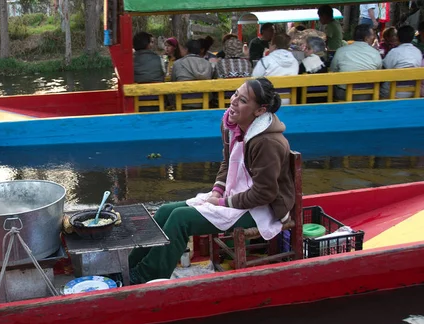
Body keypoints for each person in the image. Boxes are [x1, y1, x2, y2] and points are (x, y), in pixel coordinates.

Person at [128, 78, 295, 284]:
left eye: (242, 100)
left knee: (181, 219)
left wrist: (223, 202)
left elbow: (265, 194)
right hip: (235, 197)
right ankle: (129, 268)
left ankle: (144, 277)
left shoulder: (267, 142)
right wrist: (217, 190)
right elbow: (228, 162)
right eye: (235, 94)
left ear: (260, 110)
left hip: (262, 209)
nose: (233, 101)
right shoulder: (232, 126)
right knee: (164, 211)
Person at [330, 24, 382, 100]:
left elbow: (333, 70)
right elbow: (379, 71)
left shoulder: (341, 51)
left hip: (343, 94)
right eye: (372, 36)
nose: (373, 38)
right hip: (368, 94)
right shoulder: (375, 53)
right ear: (366, 38)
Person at [381, 25, 423, 98]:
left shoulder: (394, 52)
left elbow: (384, 67)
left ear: (398, 37)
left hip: (392, 92)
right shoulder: (418, 52)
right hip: (413, 91)